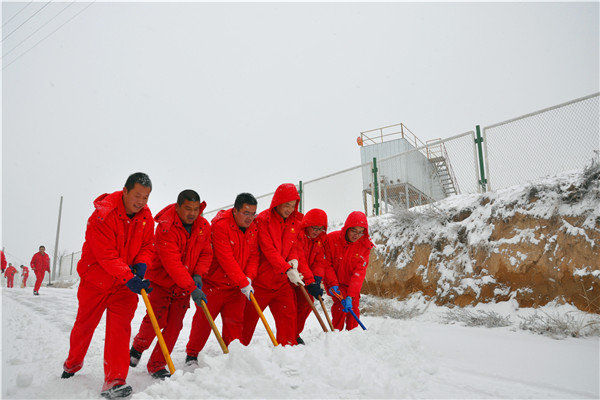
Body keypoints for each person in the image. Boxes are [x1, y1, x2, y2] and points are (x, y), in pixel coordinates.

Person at [61, 172, 155, 399]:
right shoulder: (102, 216)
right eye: (137, 195)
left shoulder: (146, 217)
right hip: (96, 281)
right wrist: (129, 277)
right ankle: (72, 364)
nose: (141, 201)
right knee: (84, 326)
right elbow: (106, 256)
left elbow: (148, 245)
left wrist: (142, 264)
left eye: (146, 197)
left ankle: (115, 380)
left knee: (120, 331)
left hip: (123, 286)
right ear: (125, 191)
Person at [130, 190, 213, 379]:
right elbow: (173, 264)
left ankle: (157, 364)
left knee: (175, 325)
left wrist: (198, 274)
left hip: (185, 283)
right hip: (161, 281)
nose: (192, 213)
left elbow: (206, 252)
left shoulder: (203, 226)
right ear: (177, 207)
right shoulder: (165, 227)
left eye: (196, 209)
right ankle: (138, 346)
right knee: (156, 319)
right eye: (188, 209)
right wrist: (192, 287)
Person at [186, 193, 259, 363]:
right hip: (215, 284)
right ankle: (192, 353)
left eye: (253, 213)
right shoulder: (221, 226)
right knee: (203, 321)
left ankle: (233, 356)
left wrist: (248, 278)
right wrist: (242, 281)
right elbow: (225, 258)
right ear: (235, 211)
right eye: (246, 213)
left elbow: (254, 255)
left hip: (237, 286)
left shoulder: (253, 228)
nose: (250, 218)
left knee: (235, 322)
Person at [241, 183, 315, 346]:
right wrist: (287, 269)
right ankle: (238, 353)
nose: (290, 209)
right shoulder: (262, 220)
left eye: (293, 205)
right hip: (261, 282)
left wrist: (294, 260)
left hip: (281, 283)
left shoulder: (295, 222)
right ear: (277, 202)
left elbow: (293, 245)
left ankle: (288, 352)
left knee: (288, 318)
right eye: (286, 205)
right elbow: (269, 250)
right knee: (247, 321)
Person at [325, 211, 374, 331]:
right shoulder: (331, 239)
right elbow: (327, 264)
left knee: (354, 308)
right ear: (347, 228)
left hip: (351, 285)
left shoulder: (364, 246)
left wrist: (351, 295)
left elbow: (359, 273)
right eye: (354, 230)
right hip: (335, 283)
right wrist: (333, 284)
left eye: (360, 232)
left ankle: (353, 336)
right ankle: (336, 333)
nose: (356, 235)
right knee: (340, 308)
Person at [294, 209, 331, 343]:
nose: (316, 231)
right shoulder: (299, 235)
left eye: (320, 228)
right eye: (314, 228)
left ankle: (295, 334)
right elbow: (300, 259)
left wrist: (317, 279)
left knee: (307, 303)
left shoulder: (320, 240)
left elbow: (319, 261)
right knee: (291, 308)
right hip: (294, 276)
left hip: (307, 279)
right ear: (307, 225)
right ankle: (289, 335)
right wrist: (310, 281)